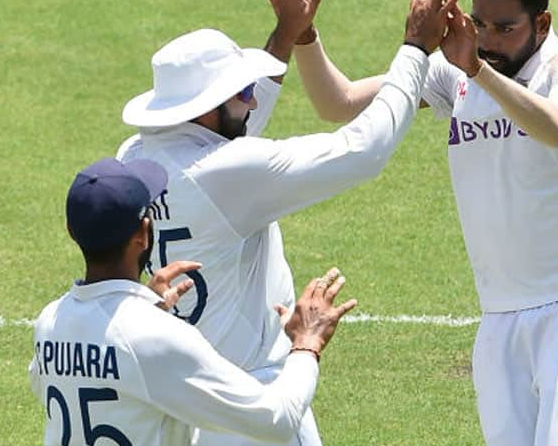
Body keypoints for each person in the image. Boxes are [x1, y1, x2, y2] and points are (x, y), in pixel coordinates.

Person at [259, 0, 558, 446]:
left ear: (541, 24)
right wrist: (304, 36)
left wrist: (477, 69)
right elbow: (337, 103)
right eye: (478, 24)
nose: (488, 39)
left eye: (506, 28)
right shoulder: (452, 72)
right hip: (500, 312)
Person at [116, 0, 458, 446]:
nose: (253, 102)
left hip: (180, 411)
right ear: (206, 108)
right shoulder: (227, 174)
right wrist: (415, 48)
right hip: (254, 407)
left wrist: (285, 36)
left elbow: (226, 141)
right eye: (242, 93)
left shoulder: (133, 159)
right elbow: (364, 150)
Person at [28, 157, 357, 446]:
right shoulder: (155, 337)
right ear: (143, 233)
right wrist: (306, 344)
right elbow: (275, 420)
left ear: (71, 231)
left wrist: (144, 309)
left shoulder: (50, 321)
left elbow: (98, 374)